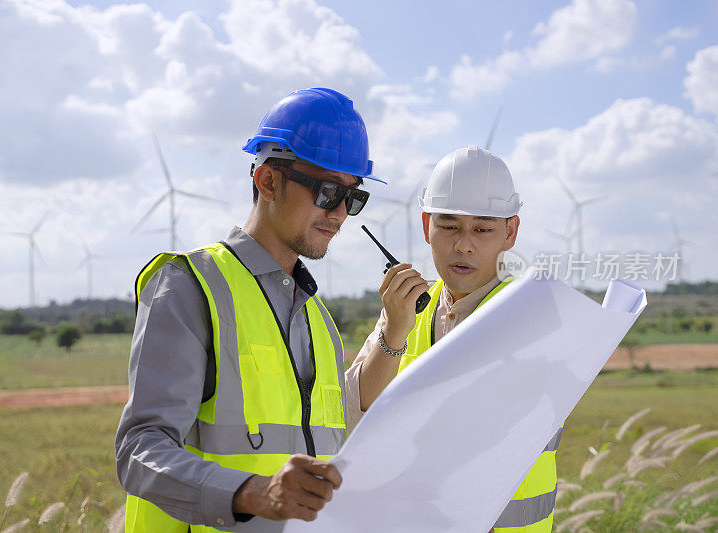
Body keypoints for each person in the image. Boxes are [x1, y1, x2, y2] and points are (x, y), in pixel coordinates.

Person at [115, 87, 383, 532]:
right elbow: (140, 452)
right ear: (268, 181)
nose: (339, 214)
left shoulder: (320, 321)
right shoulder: (190, 286)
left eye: (352, 198)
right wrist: (256, 494)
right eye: (327, 192)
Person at [346, 145, 562, 533]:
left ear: (510, 232)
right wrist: (395, 331)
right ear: (427, 225)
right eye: (449, 227)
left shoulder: (533, 319)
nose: (463, 244)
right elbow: (352, 418)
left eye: (482, 229)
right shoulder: (406, 310)